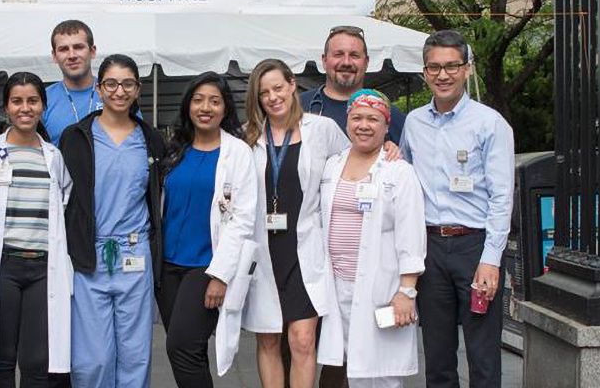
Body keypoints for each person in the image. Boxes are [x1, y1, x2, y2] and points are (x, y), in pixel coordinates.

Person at [399, 30, 514, 388]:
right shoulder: (414, 122)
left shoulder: (489, 123)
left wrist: (491, 259)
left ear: (467, 69)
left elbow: (502, 196)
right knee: (437, 357)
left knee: (482, 356)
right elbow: (402, 175)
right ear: (424, 72)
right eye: (434, 67)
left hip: (475, 249)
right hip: (430, 250)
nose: (443, 75)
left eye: (451, 66)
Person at [59, 54, 166, 388]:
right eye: (111, 84)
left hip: (135, 256)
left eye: (128, 84)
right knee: (92, 360)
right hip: (88, 257)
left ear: (137, 89)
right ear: (99, 88)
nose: (119, 91)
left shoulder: (151, 140)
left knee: (135, 355)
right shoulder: (76, 137)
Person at [241, 59, 345, 388]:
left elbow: (354, 162)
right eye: (264, 93)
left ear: (291, 85)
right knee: (269, 340)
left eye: (277, 87)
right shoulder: (247, 138)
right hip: (264, 253)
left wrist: (387, 148)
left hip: (305, 252)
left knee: (302, 339)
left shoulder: (322, 129)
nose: (273, 97)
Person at [318, 89, 426, 388]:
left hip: (382, 286)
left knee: (380, 375)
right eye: (357, 118)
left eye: (373, 119)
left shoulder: (399, 172)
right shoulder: (332, 164)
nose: (364, 125)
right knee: (346, 365)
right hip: (337, 285)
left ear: (386, 125)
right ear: (347, 121)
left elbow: (411, 235)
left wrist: (407, 292)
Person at [157, 72, 257, 387]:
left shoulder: (237, 153)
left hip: (205, 266)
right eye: (198, 100)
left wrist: (220, 275)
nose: (206, 107)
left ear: (225, 109)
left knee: (181, 347)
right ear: (188, 106)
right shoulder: (175, 150)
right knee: (191, 351)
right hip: (168, 266)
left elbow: (242, 218)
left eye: (215, 101)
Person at [0, 72, 73, 387]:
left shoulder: (54, 158)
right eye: (17, 101)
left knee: (37, 361)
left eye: (32, 101)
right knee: (1, 359)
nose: (25, 108)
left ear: (43, 106)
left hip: (43, 268)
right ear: (6, 107)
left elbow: (65, 204)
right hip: (2, 266)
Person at [299, 25, 406, 144]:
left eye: (354, 55)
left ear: (366, 63)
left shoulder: (387, 112)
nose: (346, 62)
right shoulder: (297, 107)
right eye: (338, 54)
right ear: (324, 61)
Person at [42, 20, 100, 141]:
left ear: (92, 51)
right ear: (54, 56)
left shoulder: (114, 92)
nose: (72, 55)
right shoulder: (43, 99)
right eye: (63, 49)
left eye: (78, 47)